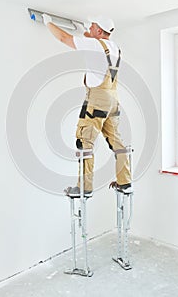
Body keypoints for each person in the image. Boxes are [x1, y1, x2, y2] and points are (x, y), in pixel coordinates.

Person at [42, 13, 132, 197]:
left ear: (99, 30)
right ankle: (125, 182)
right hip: (113, 101)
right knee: (117, 143)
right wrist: (84, 31)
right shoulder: (114, 47)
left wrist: (48, 23)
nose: (89, 28)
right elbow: (92, 40)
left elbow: (63, 38)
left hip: (97, 100)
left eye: (92, 26)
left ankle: (84, 187)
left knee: (85, 142)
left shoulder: (94, 45)